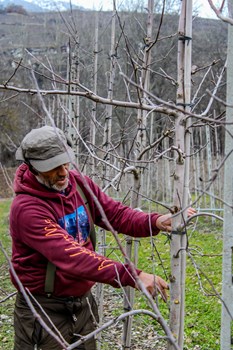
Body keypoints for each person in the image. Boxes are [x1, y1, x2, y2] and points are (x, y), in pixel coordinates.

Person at [10, 125, 195, 350]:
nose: (63, 172)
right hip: (43, 310)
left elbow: (114, 214)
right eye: (52, 167)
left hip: (82, 305)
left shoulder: (78, 184)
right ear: (32, 167)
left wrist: (155, 221)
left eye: (65, 162)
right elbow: (74, 257)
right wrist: (133, 276)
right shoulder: (27, 209)